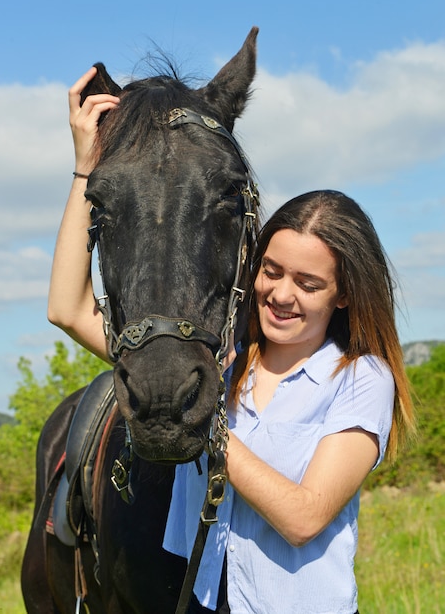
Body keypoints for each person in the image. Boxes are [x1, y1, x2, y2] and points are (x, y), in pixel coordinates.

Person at [49, 69, 415, 614]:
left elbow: (303, 517)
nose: (281, 295)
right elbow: (67, 308)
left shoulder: (361, 380)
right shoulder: (219, 363)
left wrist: (202, 423)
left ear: (343, 296)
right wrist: (87, 166)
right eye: (272, 271)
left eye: (309, 283)